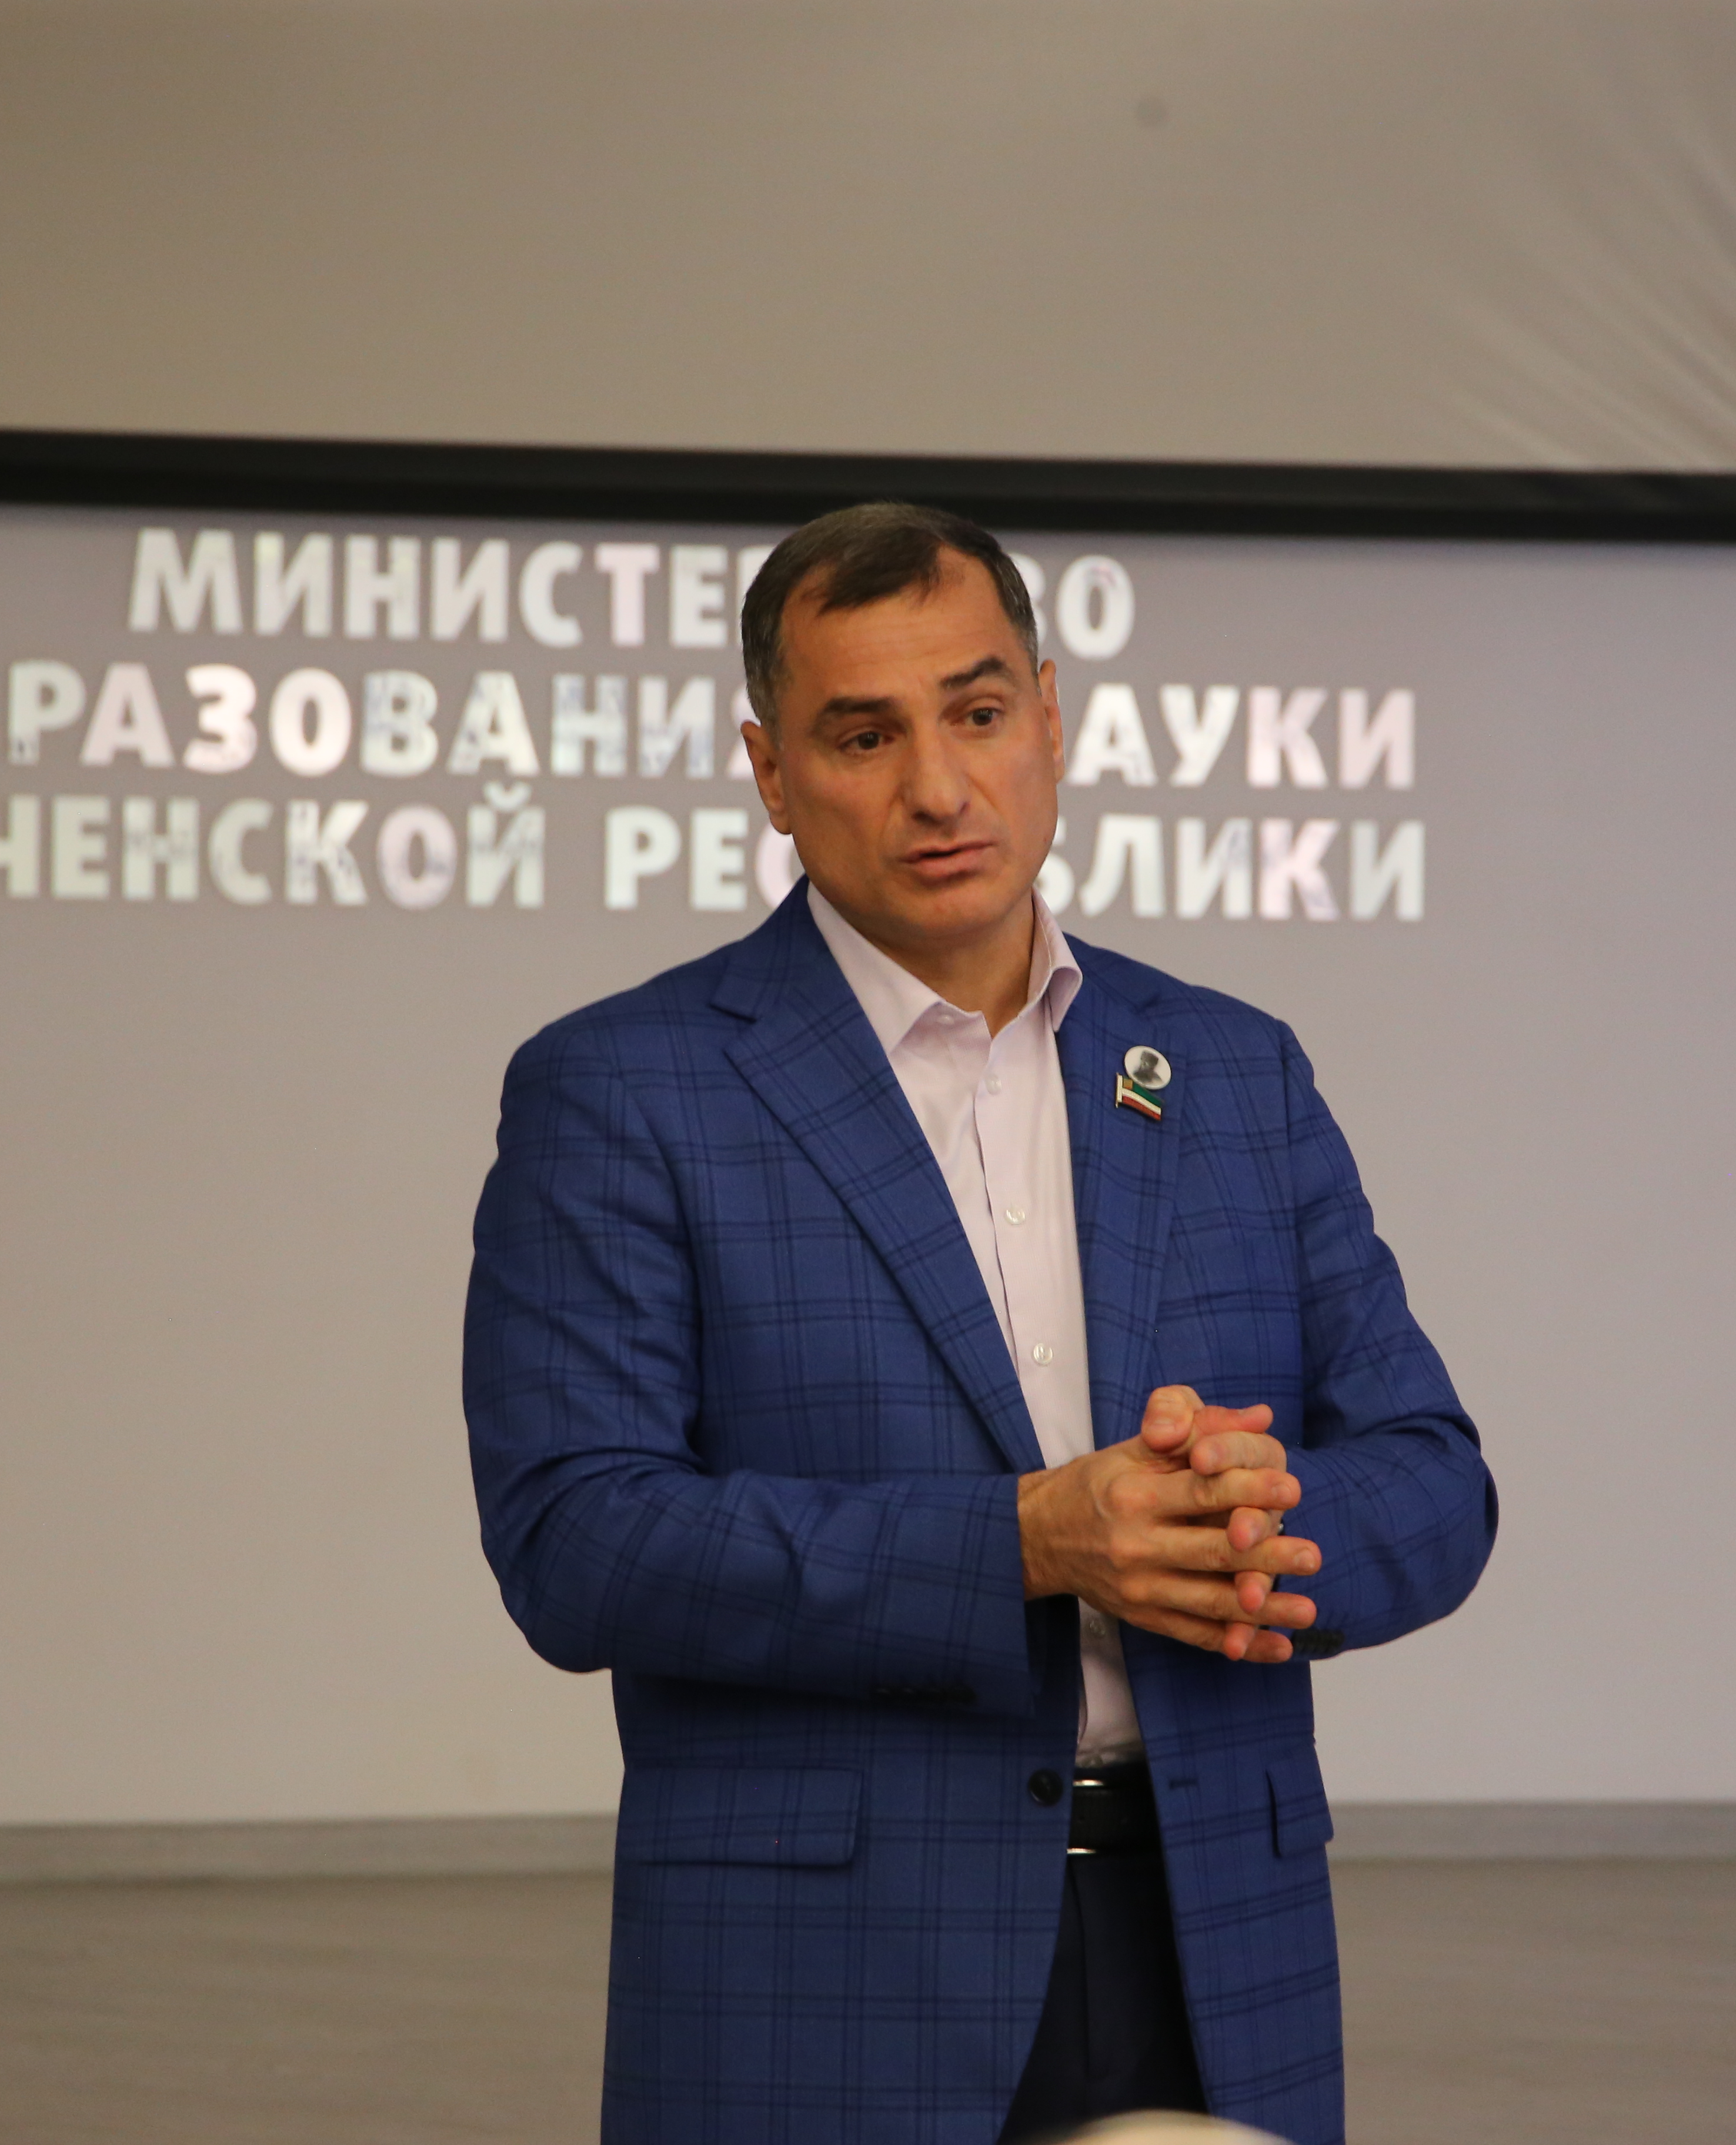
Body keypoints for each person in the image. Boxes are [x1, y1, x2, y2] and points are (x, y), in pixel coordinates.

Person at [465, 502, 1494, 2145]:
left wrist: (1251, 1515)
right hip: (822, 1987)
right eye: (864, 736)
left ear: (1052, 721)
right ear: (771, 771)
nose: (940, 787)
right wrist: (1028, 1541)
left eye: (979, 712)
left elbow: (1435, 1482)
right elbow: (579, 1543)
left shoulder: (1233, 1069)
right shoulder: (624, 1089)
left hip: (1214, 1950)